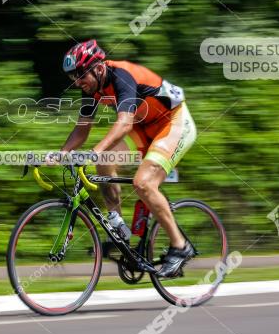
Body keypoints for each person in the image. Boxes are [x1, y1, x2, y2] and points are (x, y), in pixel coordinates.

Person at [58, 39, 197, 278]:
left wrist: (94, 151)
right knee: (104, 161)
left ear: (99, 68)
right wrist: (61, 153)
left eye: (81, 75)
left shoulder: (121, 75)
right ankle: (118, 225)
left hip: (172, 122)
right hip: (143, 128)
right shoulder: (91, 87)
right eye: (73, 77)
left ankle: (180, 246)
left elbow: (124, 123)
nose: (78, 82)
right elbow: (82, 129)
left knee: (143, 183)